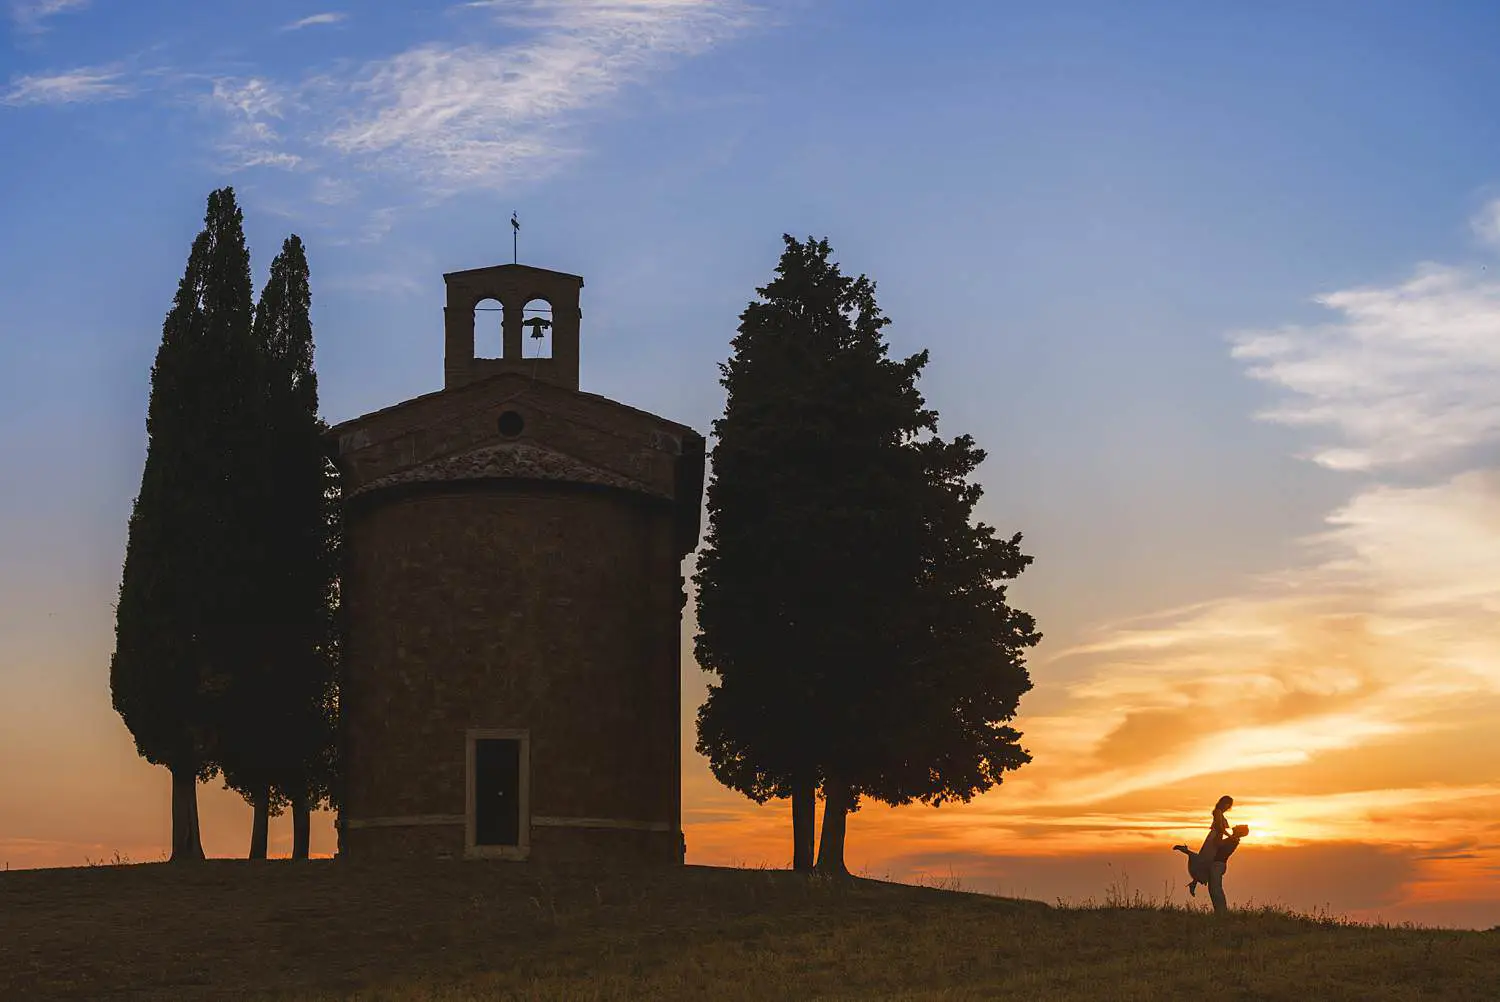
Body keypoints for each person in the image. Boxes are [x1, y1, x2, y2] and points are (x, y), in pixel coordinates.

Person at [1172, 795, 1246, 916]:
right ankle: (1195, 880)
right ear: (1223, 803)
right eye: (1227, 804)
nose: (1228, 807)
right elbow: (1220, 828)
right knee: (1205, 860)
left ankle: (1194, 880)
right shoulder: (1218, 812)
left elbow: (1222, 830)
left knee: (1205, 861)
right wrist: (1228, 836)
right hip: (1215, 837)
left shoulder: (1231, 837)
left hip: (1217, 838)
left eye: (1229, 805)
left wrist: (1229, 836)